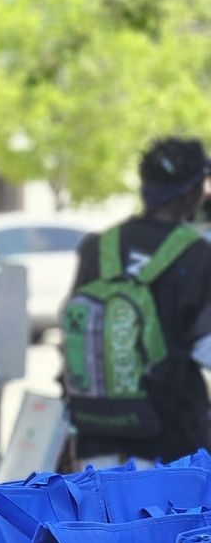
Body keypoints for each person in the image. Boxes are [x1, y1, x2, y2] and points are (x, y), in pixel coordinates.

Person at [64, 136, 211, 465]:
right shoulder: (198, 255)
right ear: (190, 193)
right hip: (170, 443)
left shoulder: (98, 247)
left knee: (101, 518)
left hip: (95, 440)